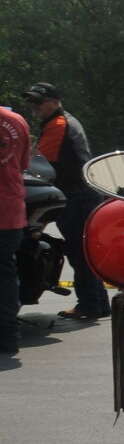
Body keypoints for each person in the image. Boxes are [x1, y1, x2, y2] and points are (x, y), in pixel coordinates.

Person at [23, 83, 108, 322]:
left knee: (78, 250)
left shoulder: (58, 125)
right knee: (84, 250)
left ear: (54, 102)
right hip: (83, 192)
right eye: (31, 102)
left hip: (76, 195)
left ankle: (89, 304)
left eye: (38, 102)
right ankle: (98, 303)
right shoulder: (61, 122)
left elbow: (36, 162)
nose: (33, 106)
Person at [0, 100, 30, 357]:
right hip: (10, 209)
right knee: (6, 272)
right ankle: (9, 336)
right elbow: (22, 164)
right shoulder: (17, 121)